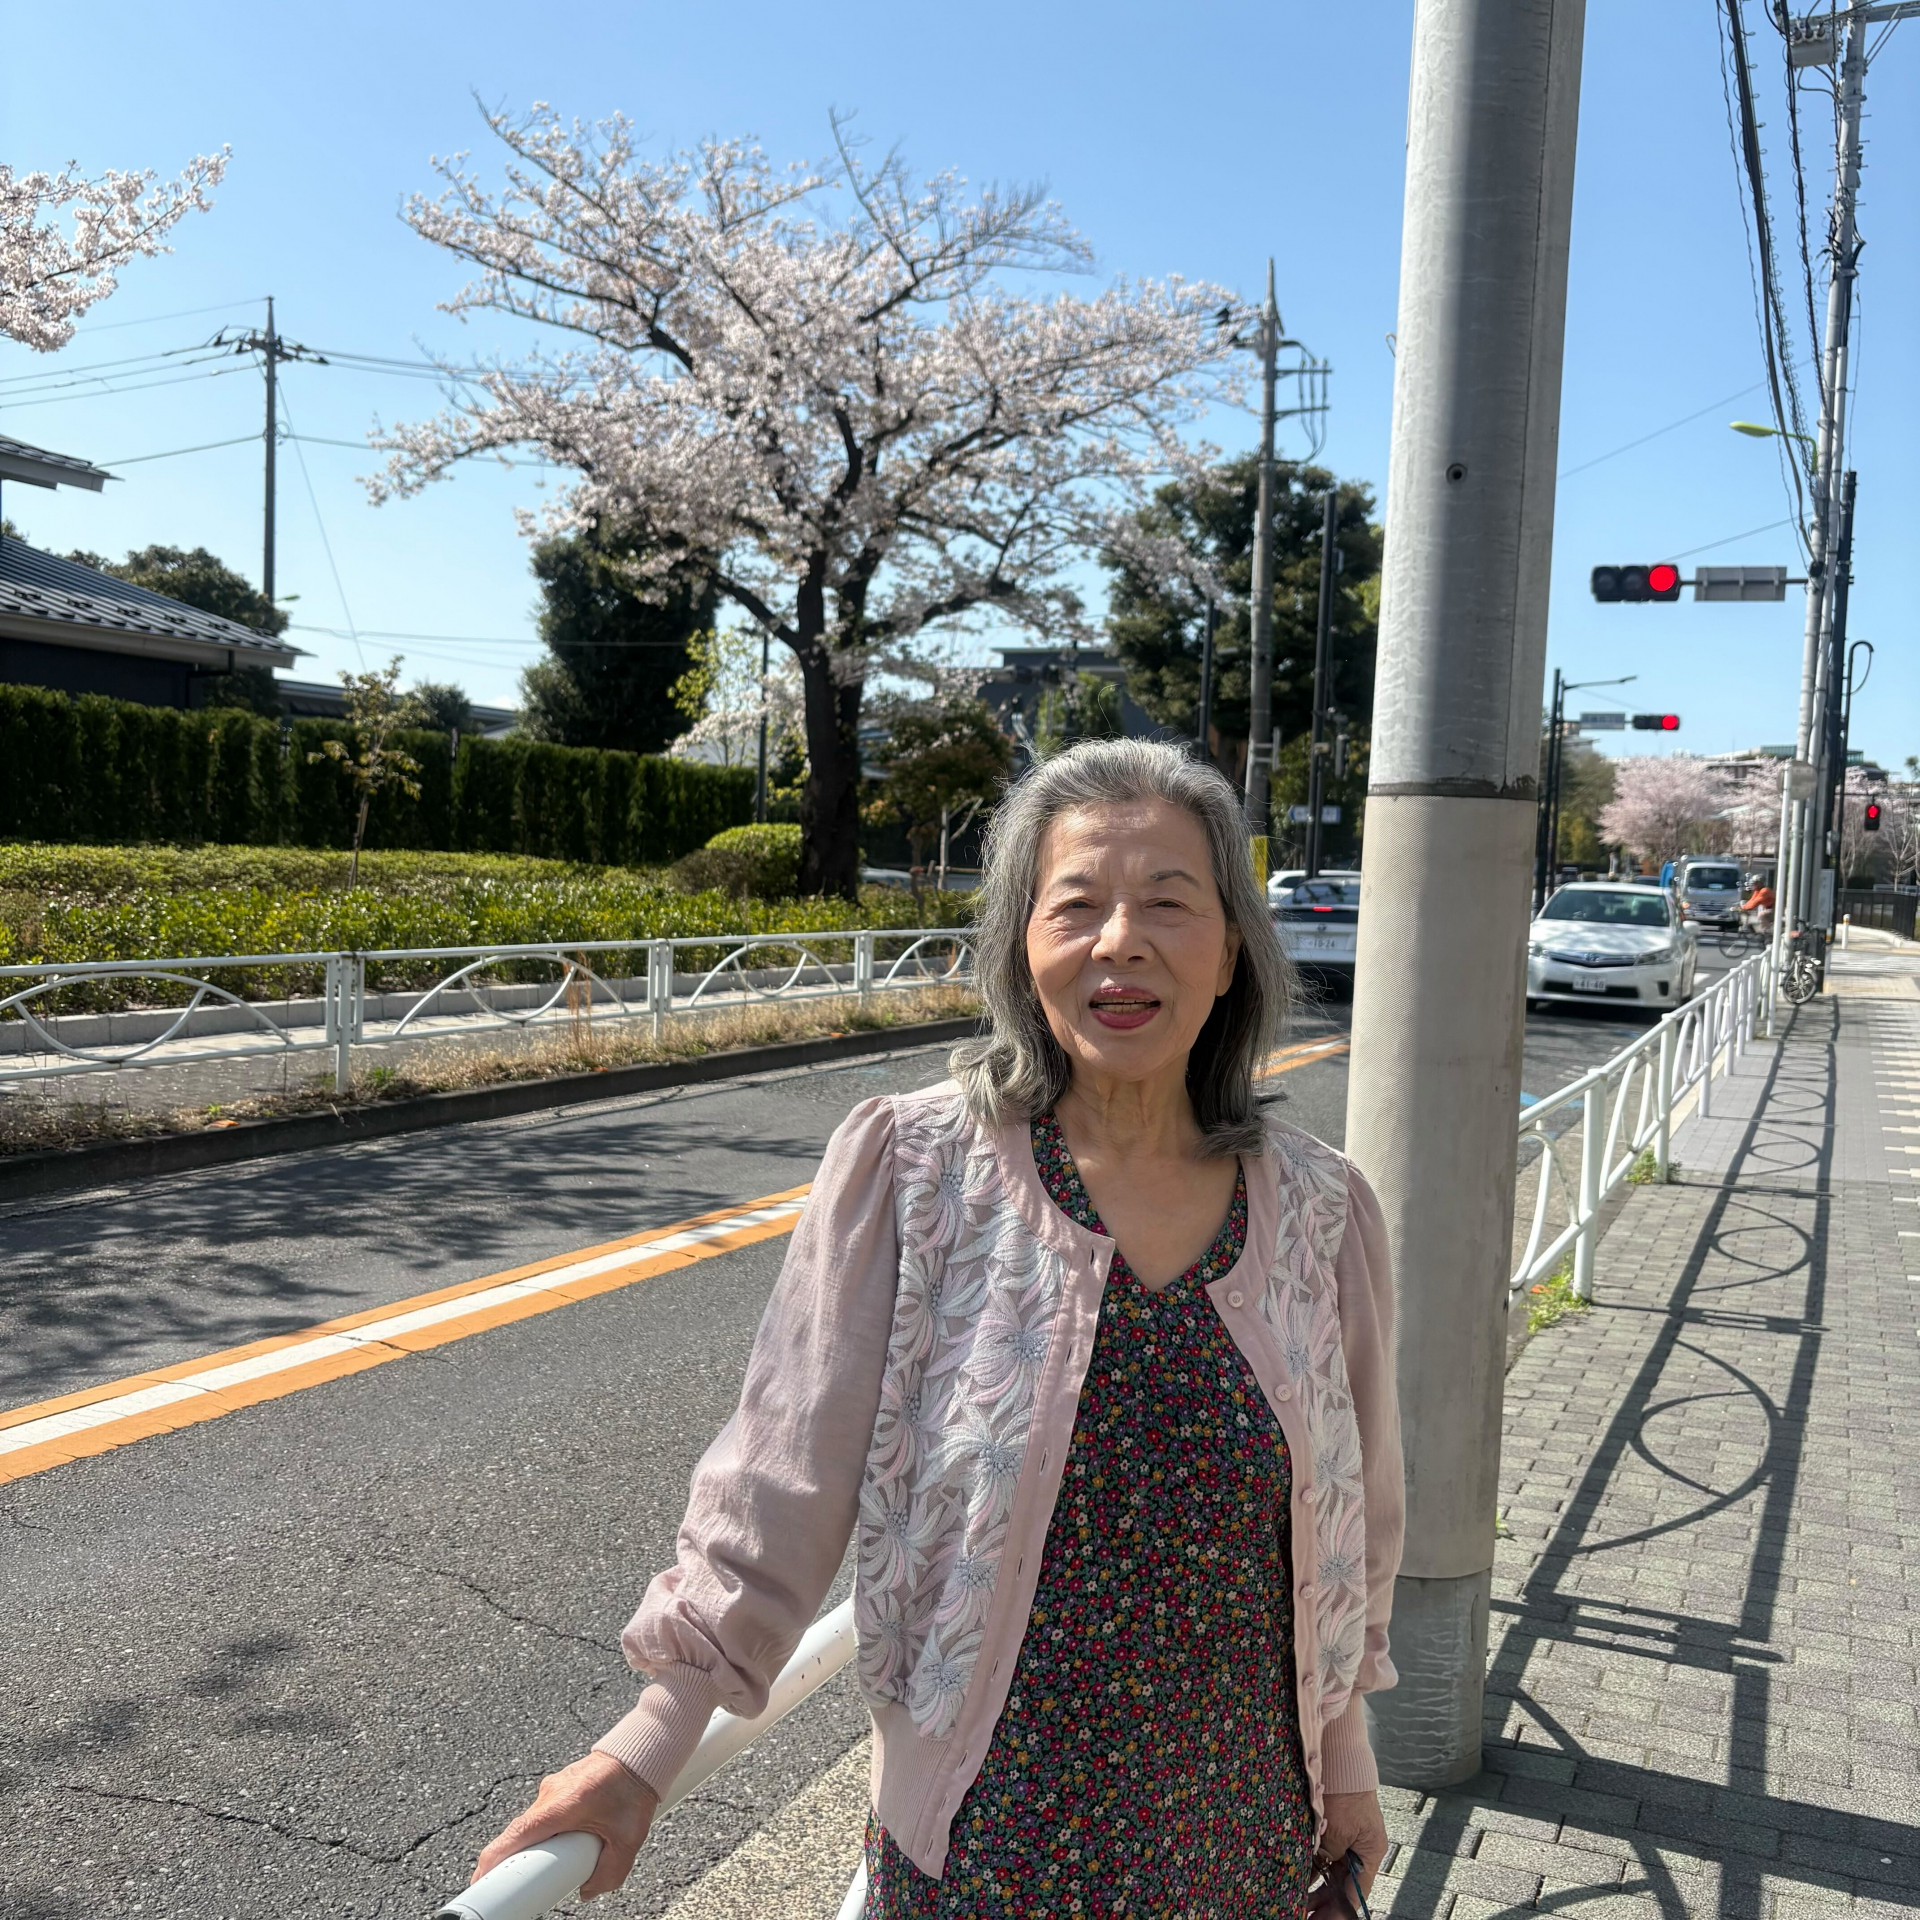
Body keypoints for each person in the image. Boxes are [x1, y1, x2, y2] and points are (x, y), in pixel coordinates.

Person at [468, 739, 1405, 1916]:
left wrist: (1348, 1764)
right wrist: (644, 1751)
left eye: (1170, 902)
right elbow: (781, 1478)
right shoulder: (915, 1171)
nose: (1121, 940)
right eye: (1077, 904)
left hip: (1242, 1843)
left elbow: (1354, 1522)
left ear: (1229, 955)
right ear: (1023, 946)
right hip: (980, 1852)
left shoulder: (1322, 1210)